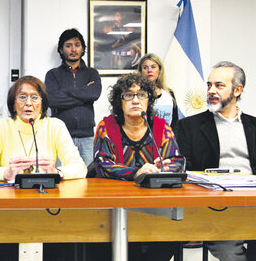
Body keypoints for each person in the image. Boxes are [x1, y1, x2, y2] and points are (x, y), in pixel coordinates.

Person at [0, 75, 87, 261]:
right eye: (22, 97)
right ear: (13, 103)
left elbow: (80, 167)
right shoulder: (1, 126)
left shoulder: (55, 126)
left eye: (34, 97)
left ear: (42, 103)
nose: (28, 103)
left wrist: (58, 173)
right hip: (7, 212)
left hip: (47, 211)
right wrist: (5, 173)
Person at [88, 73, 182, 261]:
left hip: (155, 207)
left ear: (149, 100)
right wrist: (137, 173)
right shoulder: (106, 126)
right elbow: (102, 164)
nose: (136, 100)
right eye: (129, 95)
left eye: (142, 95)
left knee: (171, 237)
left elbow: (176, 161)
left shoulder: (162, 127)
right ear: (119, 101)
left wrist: (162, 170)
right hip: (115, 208)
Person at [175, 61, 256, 261]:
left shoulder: (253, 126)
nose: (211, 90)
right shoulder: (188, 127)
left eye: (219, 85)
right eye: (209, 85)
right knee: (229, 252)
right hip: (216, 207)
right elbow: (185, 171)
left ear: (237, 90)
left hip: (253, 203)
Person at [45, 28, 102, 167]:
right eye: (68, 45)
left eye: (77, 45)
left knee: (88, 178)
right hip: (61, 136)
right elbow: (52, 100)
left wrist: (66, 91)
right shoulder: (53, 75)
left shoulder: (92, 73)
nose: (73, 49)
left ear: (83, 49)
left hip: (87, 136)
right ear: (61, 50)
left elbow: (94, 94)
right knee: (61, 178)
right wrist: (83, 94)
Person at [138, 53, 179, 129]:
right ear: (141, 71)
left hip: (166, 138)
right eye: (145, 67)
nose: (149, 70)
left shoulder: (169, 94)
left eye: (153, 67)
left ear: (159, 70)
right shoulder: (136, 95)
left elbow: (175, 123)